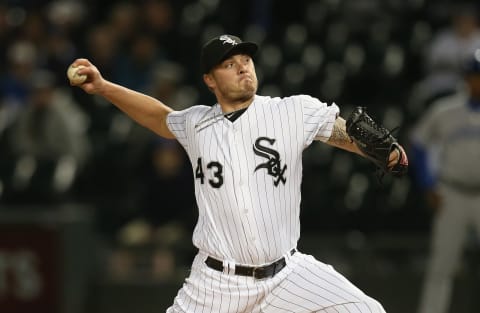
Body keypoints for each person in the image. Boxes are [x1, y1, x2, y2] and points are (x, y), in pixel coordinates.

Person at [69, 34, 406, 313]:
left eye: (245, 60)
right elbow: (159, 117)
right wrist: (104, 87)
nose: (243, 67)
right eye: (229, 64)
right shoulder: (196, 123)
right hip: (216, 283)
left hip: (287, 274)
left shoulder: (291, 110)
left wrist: (381, 150)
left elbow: (339, 131)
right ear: (210, 80)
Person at [412, 51, 480, 313]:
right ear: (467, 78)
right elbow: (418, 145)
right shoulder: (445, 110)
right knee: (442, 265)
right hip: (453, 192)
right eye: (475, 76)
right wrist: (429, 184)